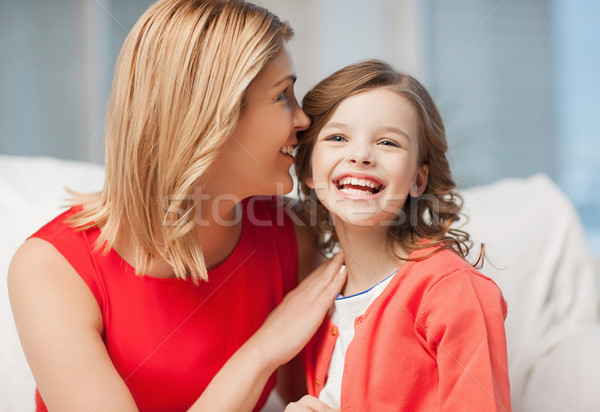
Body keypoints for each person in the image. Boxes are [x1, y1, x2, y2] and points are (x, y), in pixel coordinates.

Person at [7, 1, 347, 411]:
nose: (303, 120)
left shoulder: (292, 237)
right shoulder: (52, 269)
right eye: (282, 96)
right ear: (212, 117)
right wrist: (263, 350)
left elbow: (320, 396)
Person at [292, 60, 512, 411]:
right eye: (337, 137)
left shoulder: (452, 291)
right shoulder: (316, 297)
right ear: (306, 168)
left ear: (417, 179)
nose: (361, 155)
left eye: (388, 142)